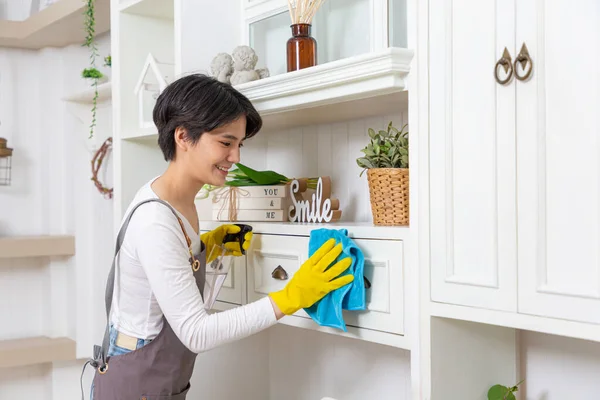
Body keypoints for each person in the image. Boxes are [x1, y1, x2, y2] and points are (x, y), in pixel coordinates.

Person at [85, 74, 354, 400]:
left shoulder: (179, 202)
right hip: (135, 386)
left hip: (156, 380)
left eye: (239, 144)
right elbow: (196, 333)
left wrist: (208, 251)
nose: (236, 157)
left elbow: (172, 296)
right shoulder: (155, 221)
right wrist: (290, 297)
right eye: (226, 143)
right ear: (183, 136)